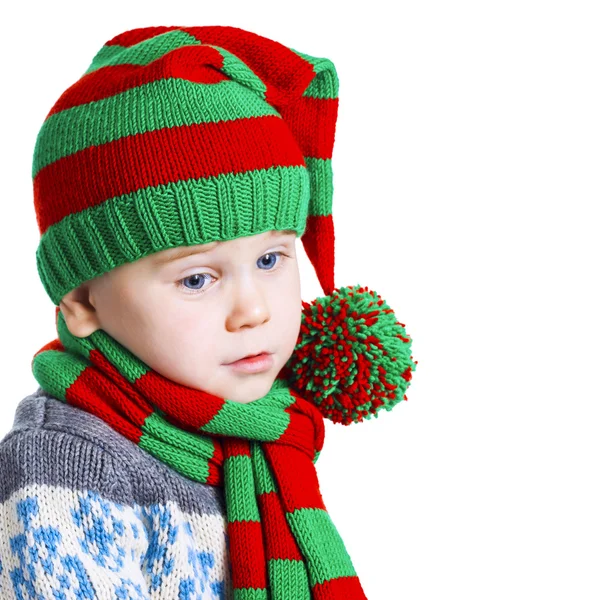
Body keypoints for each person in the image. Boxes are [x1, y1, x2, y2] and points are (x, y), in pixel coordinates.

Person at [0, 25, 417, 599]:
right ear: (81, 301)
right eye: (197, 277)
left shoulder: (258, 441)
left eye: (272, 258)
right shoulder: (67, 464)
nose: (253, 310)